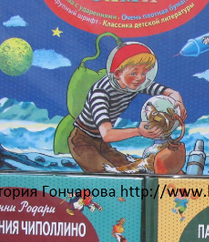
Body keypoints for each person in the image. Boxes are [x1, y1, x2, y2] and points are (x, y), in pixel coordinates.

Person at [68, 42, 186, 173]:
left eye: (144, 73)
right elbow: (107, 134)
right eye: (134, 73)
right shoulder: (101, 93)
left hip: (102, 143)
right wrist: (139, 131)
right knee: (108, 175)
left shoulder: (136, 83)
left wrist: (178, 104)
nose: (139, 78)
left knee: (136, 168)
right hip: (82, 141)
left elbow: (172, 93)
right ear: (118, 73)